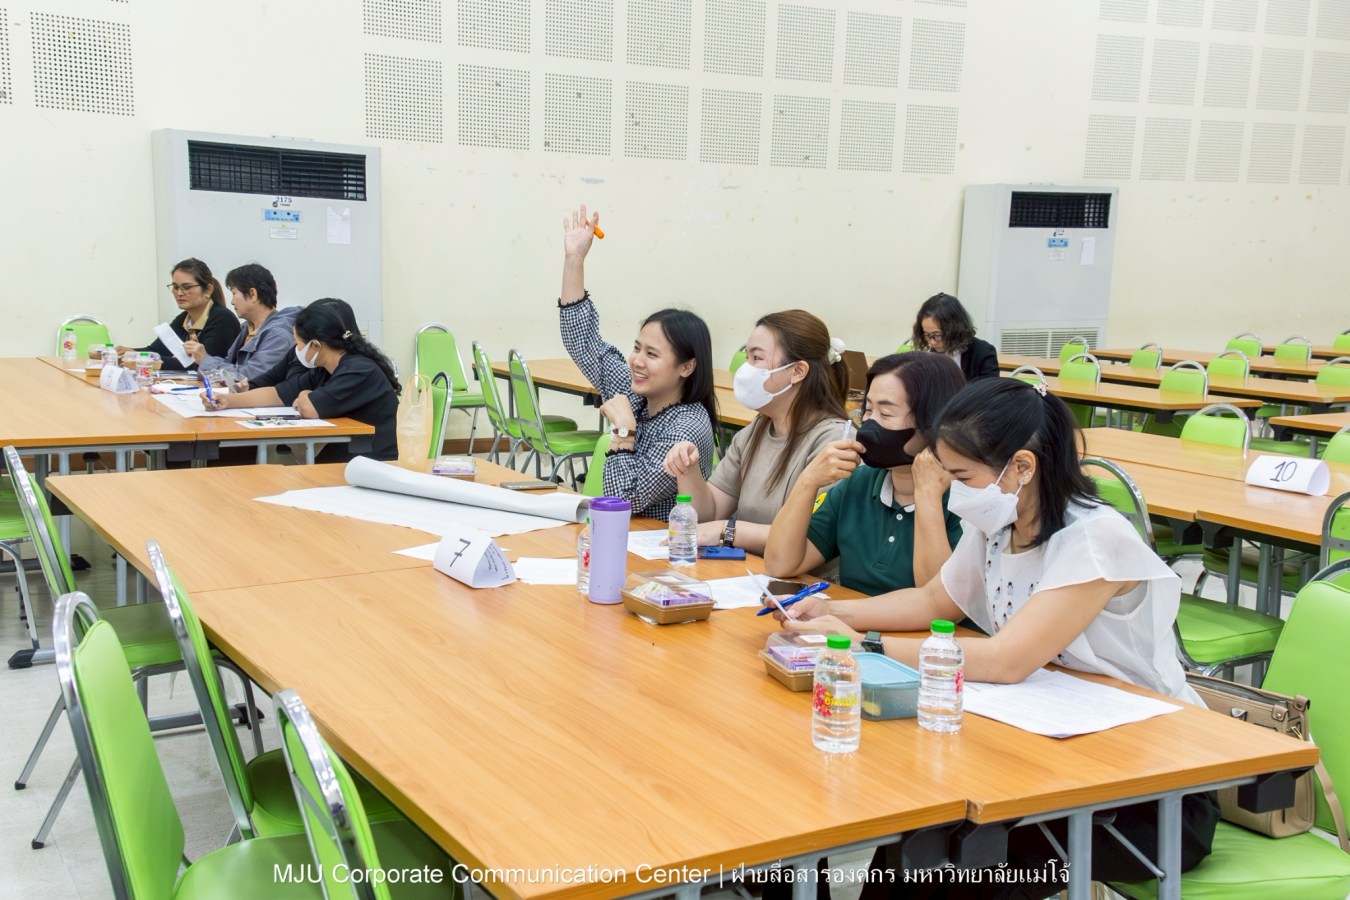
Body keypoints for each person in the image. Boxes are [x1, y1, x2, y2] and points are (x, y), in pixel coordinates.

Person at [777, 378, 1216, 896]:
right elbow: (935, 601)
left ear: (1023, 467)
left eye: (962, 476)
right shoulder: (1001, 524)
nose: (955, 491)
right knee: (916, 837)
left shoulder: (1094, 540)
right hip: (1051, 743)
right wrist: (837, 613)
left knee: (961, 859)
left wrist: (862, 644)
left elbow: (1009, 659)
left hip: (1150, 785)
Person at [559, 205, 717, 521]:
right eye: (636, 348)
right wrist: (574, 260)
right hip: (624, 540)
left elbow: (625, 500)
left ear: (686, 367)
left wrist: (623, 432)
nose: (636, 361)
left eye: (652, 354)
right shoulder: (638, 394)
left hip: (660, 552)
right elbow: (583, 341)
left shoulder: (685, 427)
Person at [764, 352, 965, 594]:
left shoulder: (965, 498)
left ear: (933, 422)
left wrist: (927, 495)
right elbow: (780, 564)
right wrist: (808, 481)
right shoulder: (859, 482)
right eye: (868, 410)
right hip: (848, 627)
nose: (870, 424)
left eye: (887, 414)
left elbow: (938, 598)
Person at [661, 311, 848, 554]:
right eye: (747, 357)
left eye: (757, 358)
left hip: (804, 583)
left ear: (798, 371)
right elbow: (710, 514)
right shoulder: (754, 432)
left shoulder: (835, 442)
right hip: (749, 573)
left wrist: (727, 531)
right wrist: (688, 470)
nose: (745, 369)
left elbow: (810, 536)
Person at [205, 300, 400, 462]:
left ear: (315, 345)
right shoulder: (324, 368)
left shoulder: (358, 369)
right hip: (346, 455)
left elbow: (308, 408)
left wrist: (306, 395)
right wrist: (228, 401)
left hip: (372, 460)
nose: (295, 348)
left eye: (298, 342)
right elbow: (279, 393)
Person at [116, 258, 239, 369]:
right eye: (175, 287)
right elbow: (157, 350)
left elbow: (197, 364)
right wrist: (130, 352)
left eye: (187, 287)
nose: (179, 293)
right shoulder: (184, 318)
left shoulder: (222, 319)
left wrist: (142, 359)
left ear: (207, 290)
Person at [189, 263, 301, 382]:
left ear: (253, 294)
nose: (232, 302)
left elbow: (251, 376)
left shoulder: (279, 335)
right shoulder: (248, 328)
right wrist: (201, 356)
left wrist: (205, 360)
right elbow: (230, 365)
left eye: (234, 293)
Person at [911, 292, 998, 381]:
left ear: (954, 330)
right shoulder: (929, 355)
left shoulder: (983, 352)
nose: (932, 342)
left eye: (937, 335)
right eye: (927, 335)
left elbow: (991, 391)